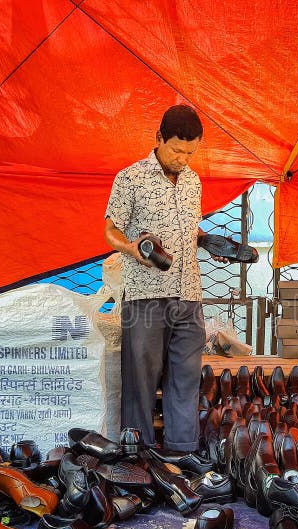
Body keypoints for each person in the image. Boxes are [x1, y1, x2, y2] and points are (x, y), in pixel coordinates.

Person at [104, 104, 223, 454]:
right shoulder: (130, 178)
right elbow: (111, 230)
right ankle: (136, 454)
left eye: (190, 152)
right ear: (158, 138)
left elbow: (188, 226)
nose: (183, 159)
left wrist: (206, 241)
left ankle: (182, 451)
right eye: (176, 150)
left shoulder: (193, 181)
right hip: (145, 294)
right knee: (141, 380)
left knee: (185, 378)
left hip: (189, 293)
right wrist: (131, 250)